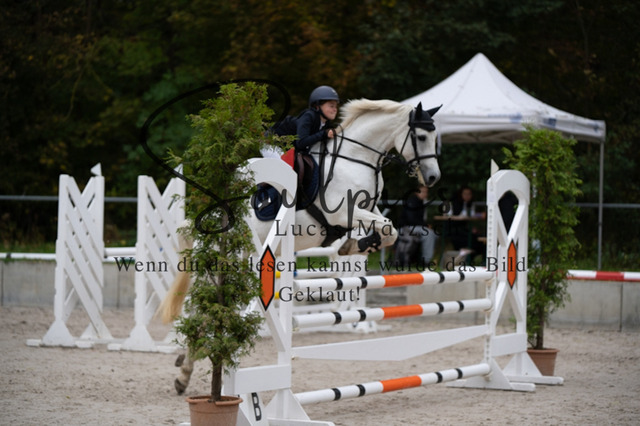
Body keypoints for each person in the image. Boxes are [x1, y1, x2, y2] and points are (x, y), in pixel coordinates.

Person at [394, 185, 438, 268]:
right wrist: (425, 225)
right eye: (423, 191)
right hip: (407, 228)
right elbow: (411, 220)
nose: (425, 194)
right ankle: (426, 261)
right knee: (429, 234)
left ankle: (423, 259)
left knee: (434, 234)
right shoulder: (412, 202)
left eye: (426, 192)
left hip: (414, 227)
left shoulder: (422, 202)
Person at [294, 85, 339, 152]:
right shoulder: (308, 116)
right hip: (279, 145)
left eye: (336, 106)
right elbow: (301, 143)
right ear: (317, 106)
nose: (335, 109)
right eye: (331, 106)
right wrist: (324, 134)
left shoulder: (325, 122)